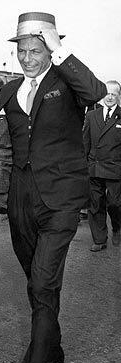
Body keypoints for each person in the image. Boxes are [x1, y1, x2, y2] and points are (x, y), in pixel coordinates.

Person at [0, 12, 106, 363]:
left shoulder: (67, 83)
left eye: (37, 49)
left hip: (62, 200)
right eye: (23, 50)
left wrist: (60, 49)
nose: (29, 57)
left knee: (44, 281)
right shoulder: (9, 90)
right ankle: (54, 345)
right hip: (20, 200)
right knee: (36, 280)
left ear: (49, 48)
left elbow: (97, 90)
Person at [83, 80, 121, 250]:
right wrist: (83, 165)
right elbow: (85, 142)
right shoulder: (92, 115)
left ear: (118, 96)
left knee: (114, 203)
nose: (110, 97)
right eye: (107, 93)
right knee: (95, 204)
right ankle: (99, 240)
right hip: (94, 167)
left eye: (114, 94)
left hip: (115, 169)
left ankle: (117, 227)